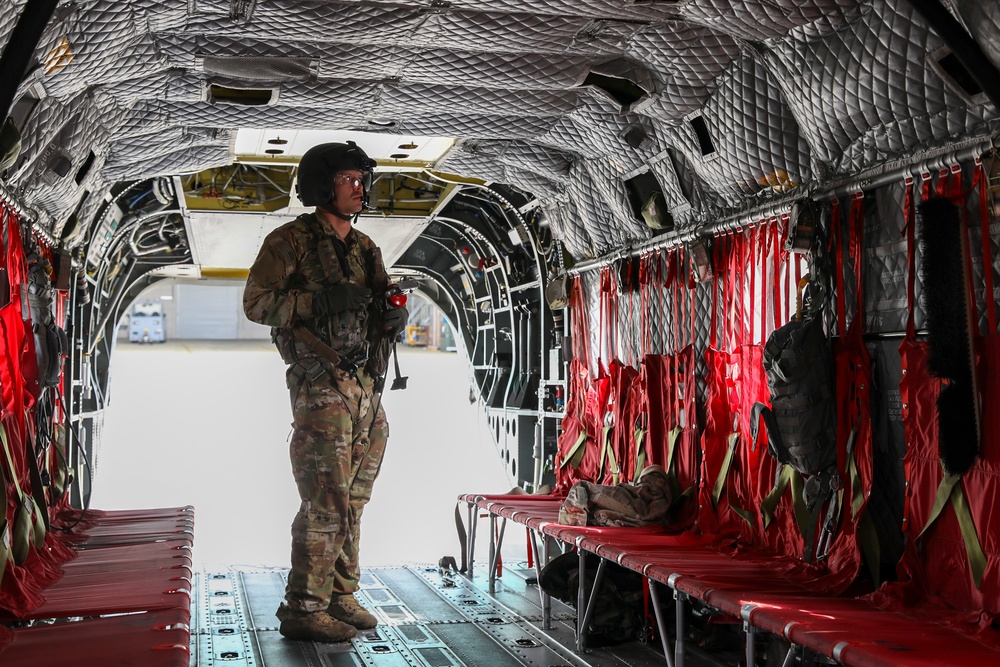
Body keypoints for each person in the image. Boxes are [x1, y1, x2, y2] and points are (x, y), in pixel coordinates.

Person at [243, 141, 408, 643]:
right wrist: (319, 302)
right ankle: (303, 607)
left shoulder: (364, 249)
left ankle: (340, 594)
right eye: (349, 180)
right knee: (325, 502)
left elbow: (378, 304)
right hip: (322, 387)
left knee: (353, 500)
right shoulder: (288, 241)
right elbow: (256, 303)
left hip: (365, 389)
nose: (360, 188)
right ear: (322, 185)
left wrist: (394, 317)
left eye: (362, 180)